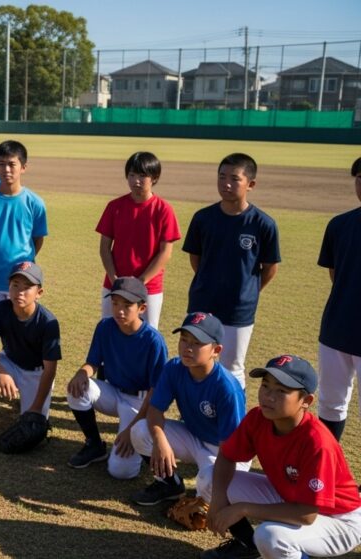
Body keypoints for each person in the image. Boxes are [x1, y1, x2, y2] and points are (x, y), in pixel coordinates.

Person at [203, 355, 361, 559]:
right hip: (292, 498)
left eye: (281, 391)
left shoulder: (317, 442)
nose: (269, 396)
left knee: (270, 536)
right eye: (265, 386)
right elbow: (226, 456)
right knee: (208, 478)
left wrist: (243, 509)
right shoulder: (258, 417)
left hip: (339, 519)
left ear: (306, 401)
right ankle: (246, 545)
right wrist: (218, 500)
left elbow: (306, 514)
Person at [129, 312, 247, 507]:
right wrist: (160, 441)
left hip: (224, 452)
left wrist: (211, 484)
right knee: (141, 431)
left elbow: (231, 446)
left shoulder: (227, 387)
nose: (188, 348)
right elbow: (155, 410)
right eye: (184, 339)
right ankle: (169, 485)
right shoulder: (174, 368)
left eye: (197, 343)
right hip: (193, 436)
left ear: (216, 350)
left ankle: (210, 492)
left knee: (207, 485)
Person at [184, 153, 280, 389]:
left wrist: (248, 291)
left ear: (251, 184)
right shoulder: (202, 218)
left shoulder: (263, 224)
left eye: (235, 179)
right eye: (222, 177)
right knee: (196, 363)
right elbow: (196, 259)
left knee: (232, 368)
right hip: (202, 302)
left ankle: (234, 413)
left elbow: (270, 268)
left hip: (238, 309)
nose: (226, 184)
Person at [65, 276, 168, 479]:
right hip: (112, 392)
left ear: (142, 308)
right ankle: (95, 444)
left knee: (120, 471)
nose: (120, 310)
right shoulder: (105, 326)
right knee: (76, 389)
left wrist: (132, 428)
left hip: (139, 402)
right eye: (115, 303)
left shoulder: (153, 341)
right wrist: (81, 373)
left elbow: (156, 392)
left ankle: (143, 450)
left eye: (127, 305)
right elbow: (93, 362)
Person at [0, 261, 60, 450]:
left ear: (39, 293)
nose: (20, 292)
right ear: (8, 286)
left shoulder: (48, 322)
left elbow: (50, 370)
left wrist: (36, 408)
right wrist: (1, 371)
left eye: (27, 287)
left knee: (34, 426)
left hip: (37, 373)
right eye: (15, 285)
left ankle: (29, 404)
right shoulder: (0, 309)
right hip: (9, 363)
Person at [95, 151, 181, 329]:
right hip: (114, 284)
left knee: (146, 333)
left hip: (149, 288)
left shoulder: (164, 210)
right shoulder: (114, 206)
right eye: (132, 175)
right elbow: (104, 247)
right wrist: (113, 278)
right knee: (109, 331)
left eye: (142, 176)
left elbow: (165, 253)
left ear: (154, 178)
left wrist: (141, 281)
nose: (136, 181)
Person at [0, 140, 47, 331]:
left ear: (23, 167)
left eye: (12, 164)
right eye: (1, 164)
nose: (6, 169)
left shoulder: (35, 203)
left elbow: (37, 240)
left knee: (21, 332)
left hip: (23, 281)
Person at [315, 157, 361, 441]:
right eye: (360, 178)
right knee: (330, 404)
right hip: (337, 329)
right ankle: (326, 462)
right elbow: (337, 275)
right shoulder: (339, 225)